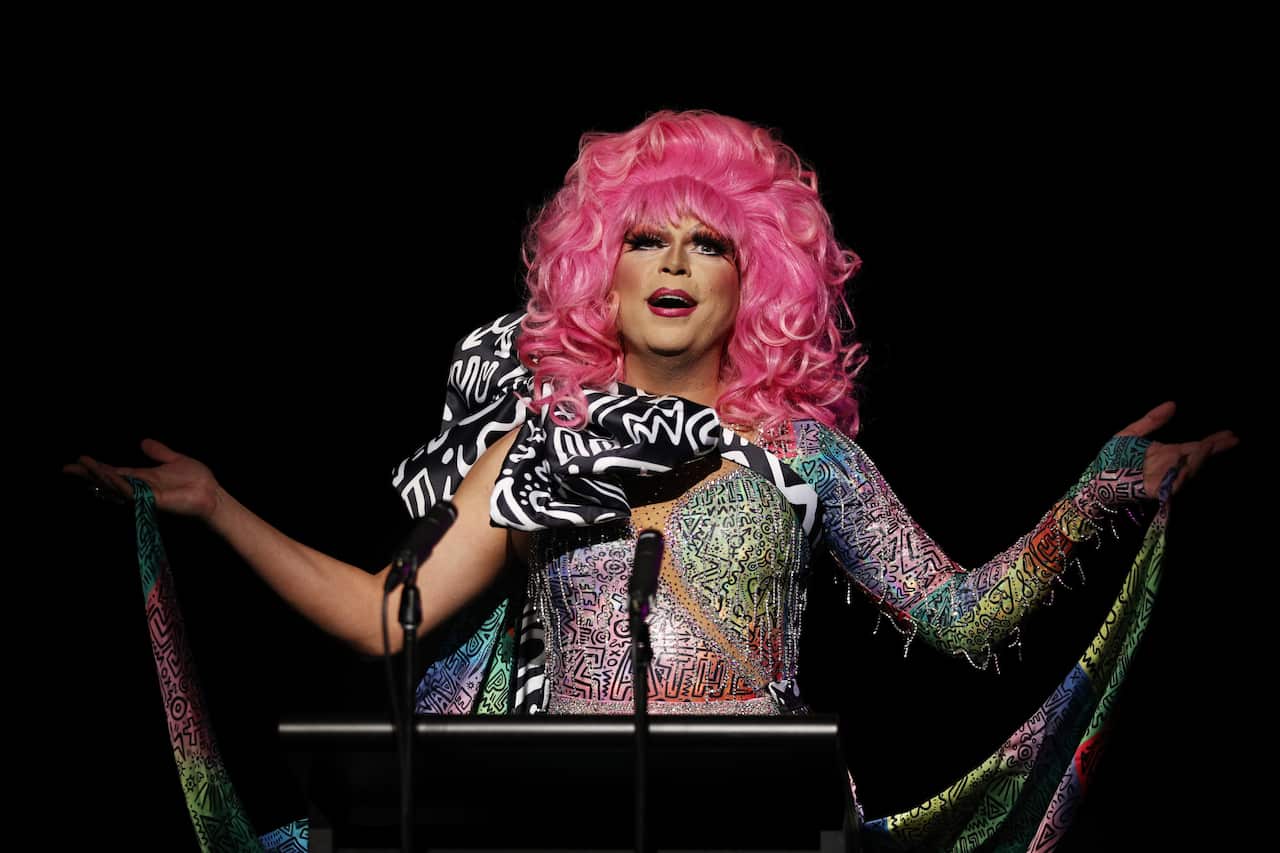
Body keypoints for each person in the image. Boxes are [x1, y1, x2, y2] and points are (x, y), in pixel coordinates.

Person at [66, 109, 1238, 851]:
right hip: (550, 825)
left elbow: (957, 611)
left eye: (709, 242)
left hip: (759, 827)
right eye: (645, 238)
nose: (674, 261)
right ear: (600, 271)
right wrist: (218, 508)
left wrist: (1101, 488)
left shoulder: (802, 453)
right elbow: (386, 616)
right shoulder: (539, 440)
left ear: (753, 279)